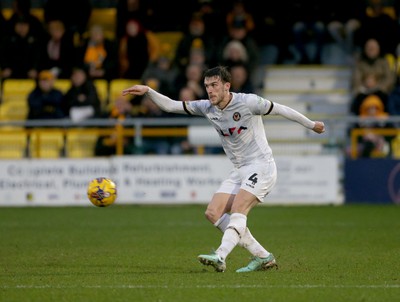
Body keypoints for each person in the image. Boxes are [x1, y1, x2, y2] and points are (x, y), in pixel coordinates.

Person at [122, 66, 325, 273]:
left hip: (261, 166)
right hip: (239, 169)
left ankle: (220, 255)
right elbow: (172, 106)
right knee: (213, 212)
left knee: (238, 209)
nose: (210, 90)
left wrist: (311, 124)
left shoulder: (248, 102)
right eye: (207, 86)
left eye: (214, 85)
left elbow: (281, 109)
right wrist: (148, 91)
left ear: (227, 86)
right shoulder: (207, 107)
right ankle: (263, 256)